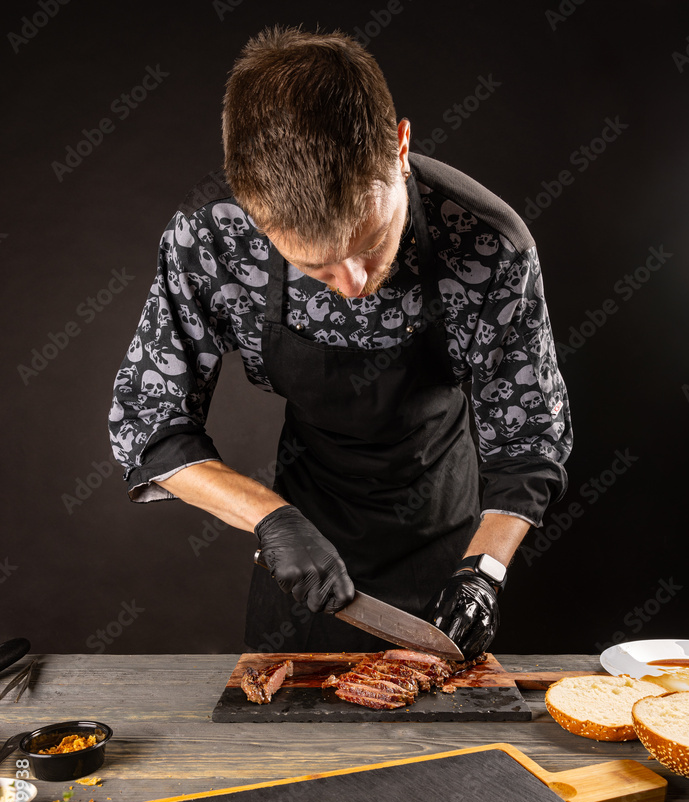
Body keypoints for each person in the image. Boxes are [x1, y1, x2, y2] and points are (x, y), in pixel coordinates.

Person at [108, 26, 572, 657]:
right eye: (317, 268)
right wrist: (270, 519)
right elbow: (148, 424)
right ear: (253, 211)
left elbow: (527, 446)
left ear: (401, 147)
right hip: (300, 556)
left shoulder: (490, 245)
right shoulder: (213, 242)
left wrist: (484, 573)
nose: (353, 284)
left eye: (369, 244)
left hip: (449, 547)